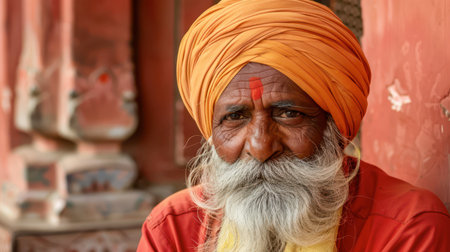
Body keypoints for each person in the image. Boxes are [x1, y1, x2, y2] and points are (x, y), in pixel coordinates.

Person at [137, 0, 450, 251]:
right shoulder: (173, 229)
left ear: (334, 125)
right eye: (235, 117)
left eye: (288, 114)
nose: (261, 147)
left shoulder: (406, 226)